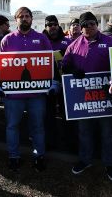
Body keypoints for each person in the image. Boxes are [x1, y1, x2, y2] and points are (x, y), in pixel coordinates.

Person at [0, 7, 58, 172]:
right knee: (12, 126)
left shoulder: (41, 38)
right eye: (21, 16)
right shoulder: (7, 39)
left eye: (27, 16)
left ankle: (39, 156)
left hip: (36, 94)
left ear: (32, 19)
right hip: (13, 95)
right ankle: (14, 156)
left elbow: (51, 63)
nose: (24, 18)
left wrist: (54, 83)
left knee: (37, 127)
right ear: (16, 20)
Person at [62, 11, 112, 181]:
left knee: (108, 133)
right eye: (85, 25)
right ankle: (85, 160)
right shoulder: (73, 46)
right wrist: (73, 71)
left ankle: (109, 163)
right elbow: (64, 65)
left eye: (92, 23)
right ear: (80, 28)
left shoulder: (111, 42)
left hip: (106, 97)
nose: (89, 27)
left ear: (97, 25)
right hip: (83, 99)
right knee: (85, 132)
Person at [42, 15, 71, 148]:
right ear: (46, 27)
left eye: (55, 24)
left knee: (66, 114)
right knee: (49, 114)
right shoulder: (41, 42)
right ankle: (50, 140)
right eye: (50, 25)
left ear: (58, 26)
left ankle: (68, 140)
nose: (53, 27)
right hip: (46, 84)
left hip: (64, 83)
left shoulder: (67, 41)